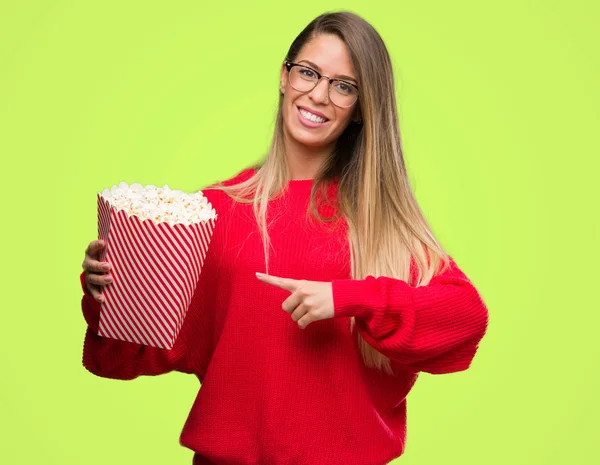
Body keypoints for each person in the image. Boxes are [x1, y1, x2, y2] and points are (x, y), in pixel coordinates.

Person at [80, 10, 489, 465]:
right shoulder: (211, 212)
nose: (318, 94)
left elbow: (466, 318)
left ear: (360, 110)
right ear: (284, 76)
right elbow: (120, 356)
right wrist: (111, 292)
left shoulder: (379, 224)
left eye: (344, 86)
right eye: (309, 73)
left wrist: (349, 297)